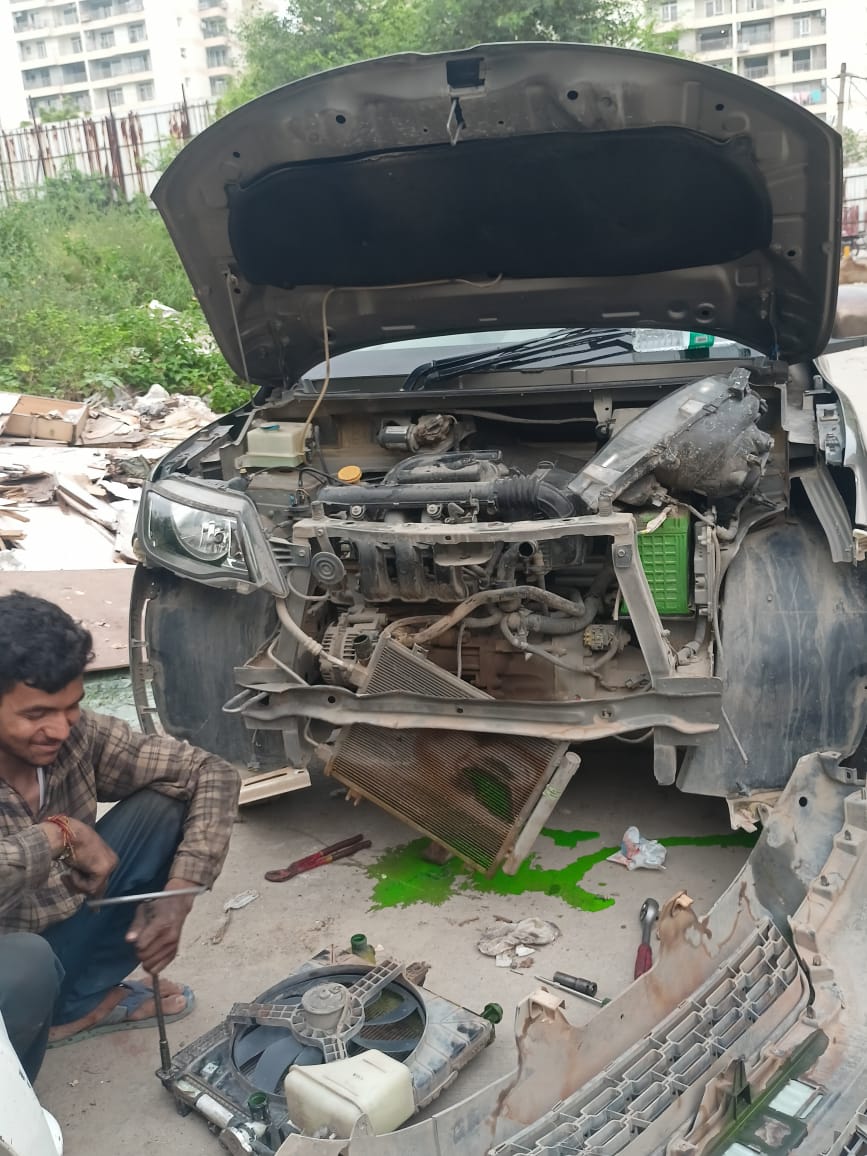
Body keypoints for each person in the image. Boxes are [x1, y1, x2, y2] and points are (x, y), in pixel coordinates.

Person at [0, 592, 240, 1082]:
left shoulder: (76, 735)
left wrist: (178, 896)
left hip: (59, 933)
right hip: (10, 965)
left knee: (164, 809)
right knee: (26, 964)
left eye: (71, 707)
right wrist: (60, 834)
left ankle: (74, 1004)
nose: (59, 729)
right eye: (36, 714)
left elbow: (211, 772)